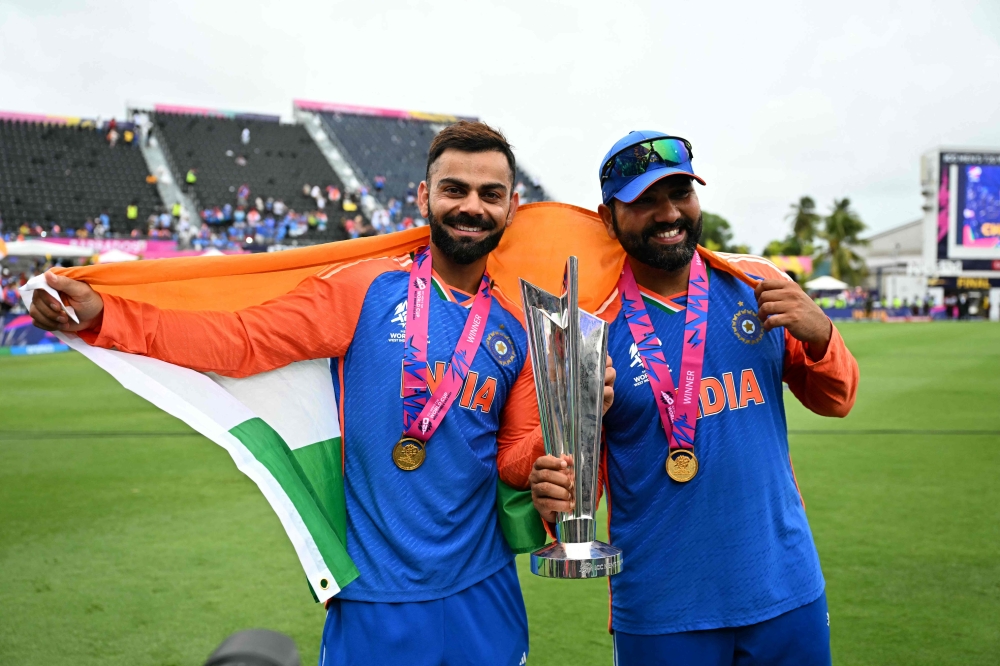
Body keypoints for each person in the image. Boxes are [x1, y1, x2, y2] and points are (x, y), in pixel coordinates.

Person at [29, 121, 615, 666]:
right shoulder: (367, 287)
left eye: (490, 194)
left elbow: (511, 454)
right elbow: (240, 340)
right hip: (374, 598)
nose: (470, 206)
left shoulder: (518, 326)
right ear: (423, 197)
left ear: (512, 206)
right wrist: (106, 314)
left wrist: (555, 450)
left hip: (484, 593)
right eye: (454, 189)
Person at [527, 131, 858, 666]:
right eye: (644, 201)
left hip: (785, 590)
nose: (668, 213)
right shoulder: (586, 324)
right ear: (608, 216)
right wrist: (555, 490)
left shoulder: (758, 283)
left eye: (680, 192)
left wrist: (820, 335)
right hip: (664, 610)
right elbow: (570, 473)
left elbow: (837, 399)